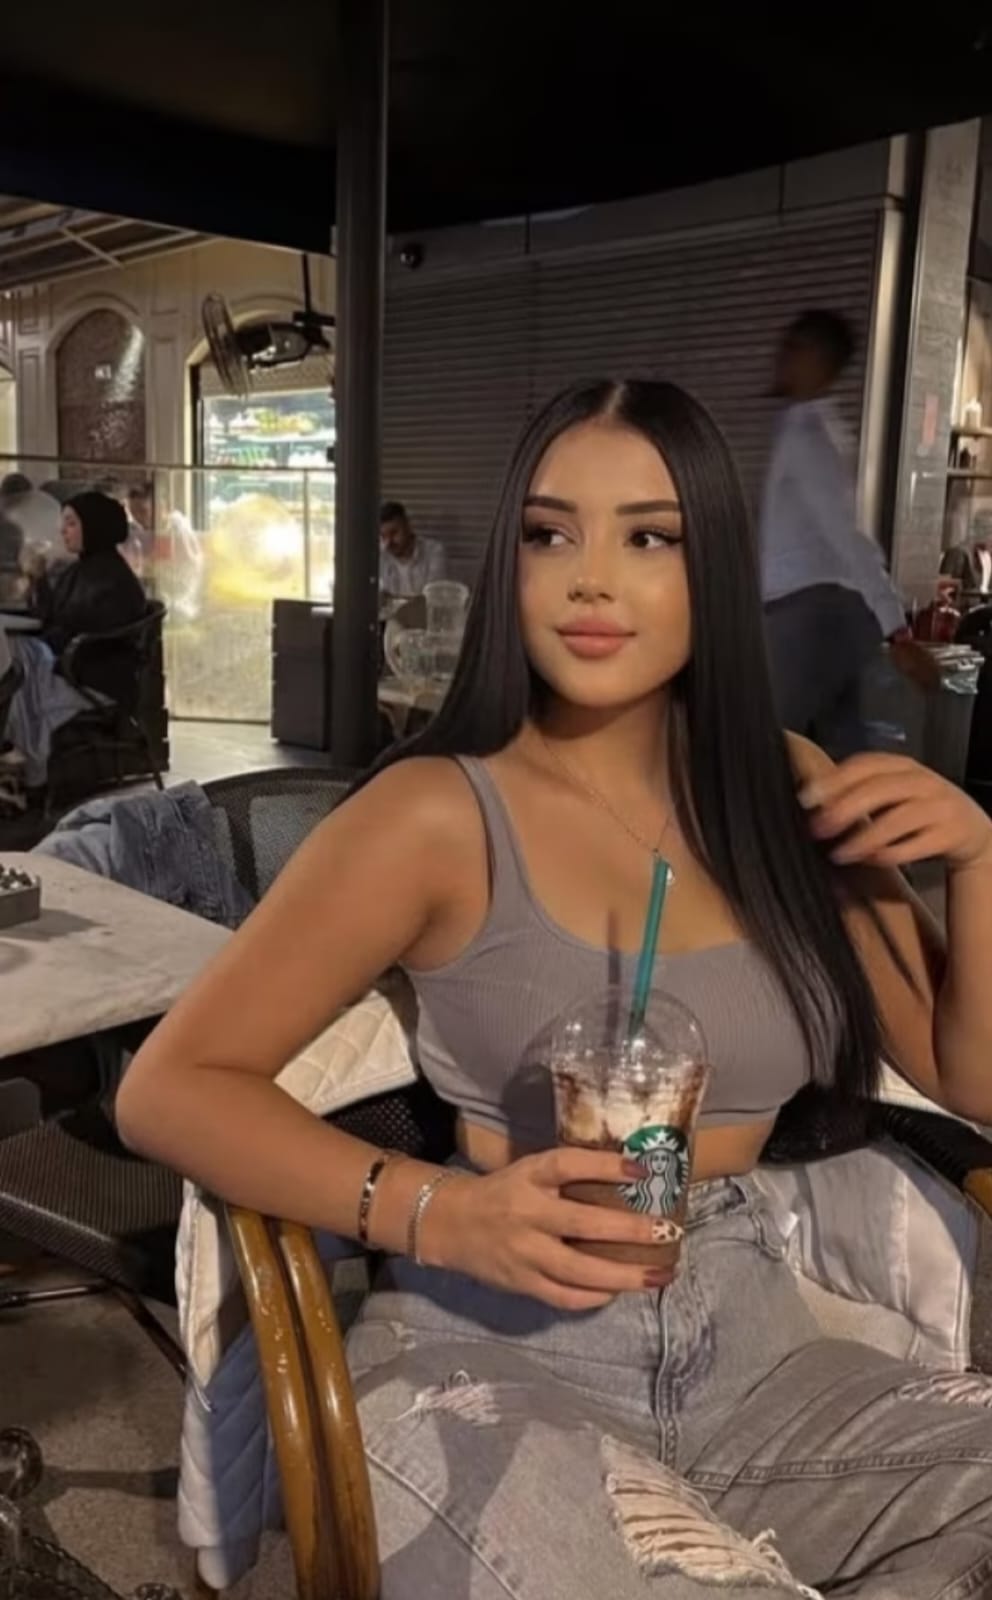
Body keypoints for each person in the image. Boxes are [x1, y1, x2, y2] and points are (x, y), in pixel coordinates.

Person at [118, 380, 992, 1600]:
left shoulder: (782, 785)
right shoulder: (434, 813)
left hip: (761, 1356)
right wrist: (435, 1212)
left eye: (648, 537)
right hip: (484, 1356)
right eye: (548, 533)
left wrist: (975, 859)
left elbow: (966, 1076)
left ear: (711, 566)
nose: (589, 580)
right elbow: (169, 1089)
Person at [760, 310, 906, 759]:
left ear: (820, 362)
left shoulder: (811, 437)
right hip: (820, 613)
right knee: (839, 748)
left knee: (767, 741)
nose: (780, 358)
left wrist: (896, 627)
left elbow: (848, 534)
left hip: (808, 615)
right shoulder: (798, 427)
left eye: (794, 348)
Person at [1, 491, 146, 789]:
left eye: (71, 523)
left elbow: (70, 629)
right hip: (69, 666)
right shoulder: (79, 570)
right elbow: (51, 618)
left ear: (93, 527)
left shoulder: (113, 580)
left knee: (17, 666)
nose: (62, 531)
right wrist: (39, 579)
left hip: (94, 679)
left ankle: (21, 762)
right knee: (15, 661)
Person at [379, 499, 447, 597]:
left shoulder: (434, 551)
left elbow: (433, 596)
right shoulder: (381, 556)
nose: (388, 542)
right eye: (383, 536)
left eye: (393, 533)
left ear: (408, 526)